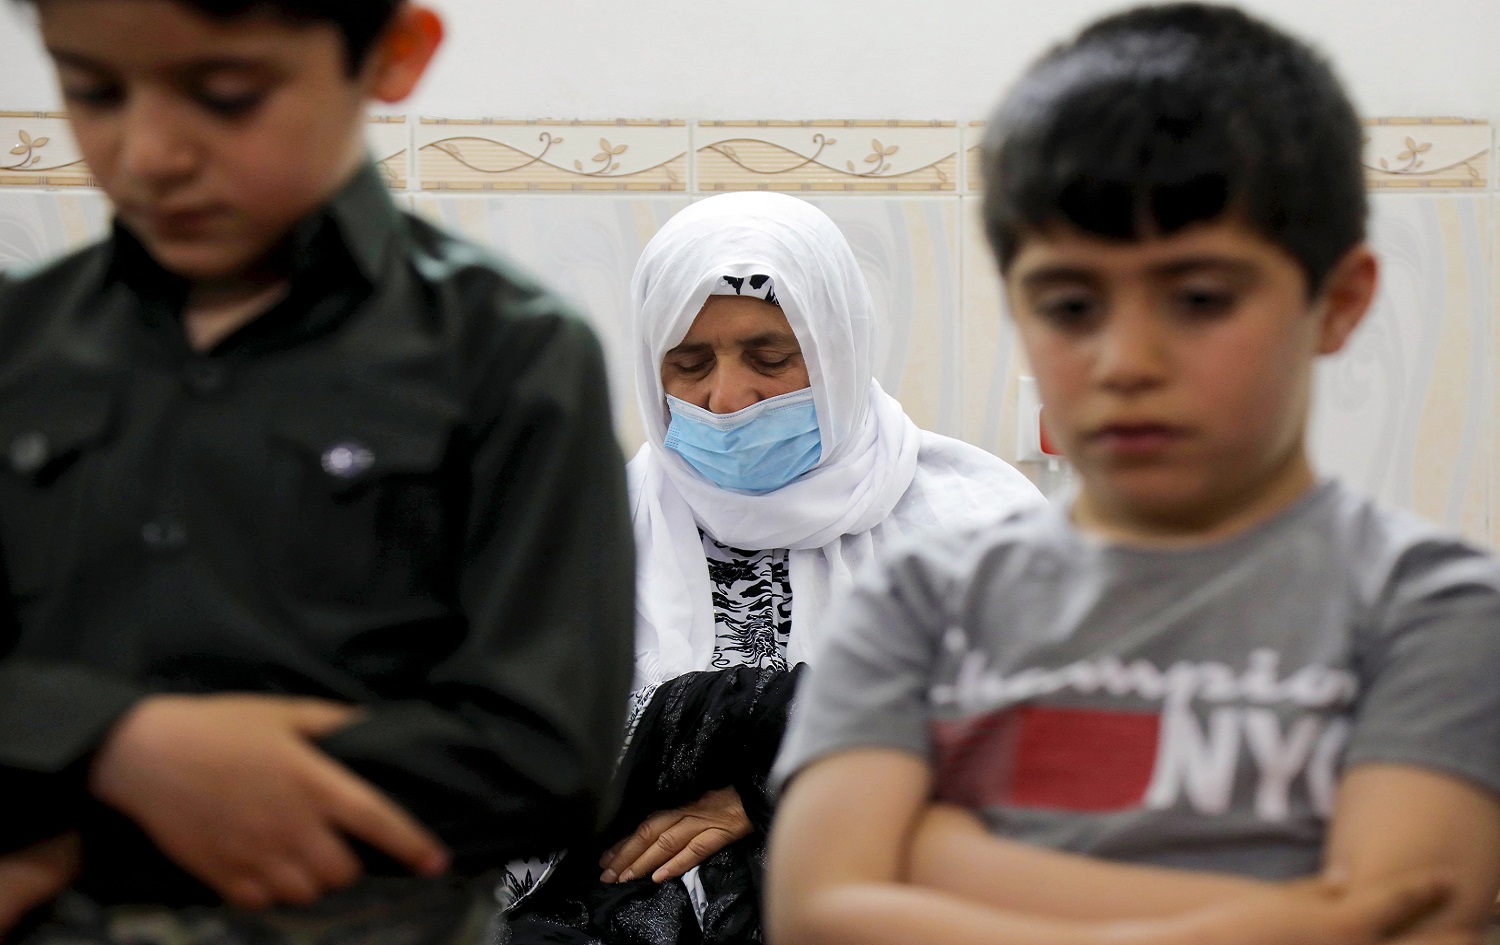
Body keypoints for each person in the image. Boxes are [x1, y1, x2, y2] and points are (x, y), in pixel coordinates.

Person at [766, 5, 1500, 945]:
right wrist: (1297, 915)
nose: (1125, 359)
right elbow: (818, 913)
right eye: (1070, 304)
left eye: (1199, 298)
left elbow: (1407, 922)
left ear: (1340, 302)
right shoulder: (921, 600)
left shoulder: (1429, 606)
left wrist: (944, 859)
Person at [0, 1, 634, 942]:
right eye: (93, 90)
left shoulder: (509, 354)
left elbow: (542, 759)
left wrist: (93, 803)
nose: (149, 152)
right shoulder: (20, 346)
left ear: (391, 54)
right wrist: (118, 742)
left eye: (227, 95)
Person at [504, 192, 1042, 944]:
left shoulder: (978, 524)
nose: (727, 398)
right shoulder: (585, 537)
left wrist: (776, 791)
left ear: (836, 349)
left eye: (770, 357)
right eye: (689, 363)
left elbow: (1064, 745)